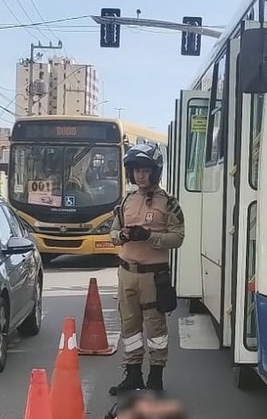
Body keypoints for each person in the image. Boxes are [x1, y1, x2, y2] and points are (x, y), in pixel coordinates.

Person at [109, 143, 186, 394]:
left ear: (155, 172)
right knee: (129, 327)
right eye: (136, 171)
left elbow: (178, 237)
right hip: (127, 274)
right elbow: (112, 232)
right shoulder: (126, 201)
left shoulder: (169, 203)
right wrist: (121, 235)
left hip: (153, 276)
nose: (141, 176)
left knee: (155, 329)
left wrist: (150, 236)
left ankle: (156, 377)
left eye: (145, 170)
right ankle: (133, 375)